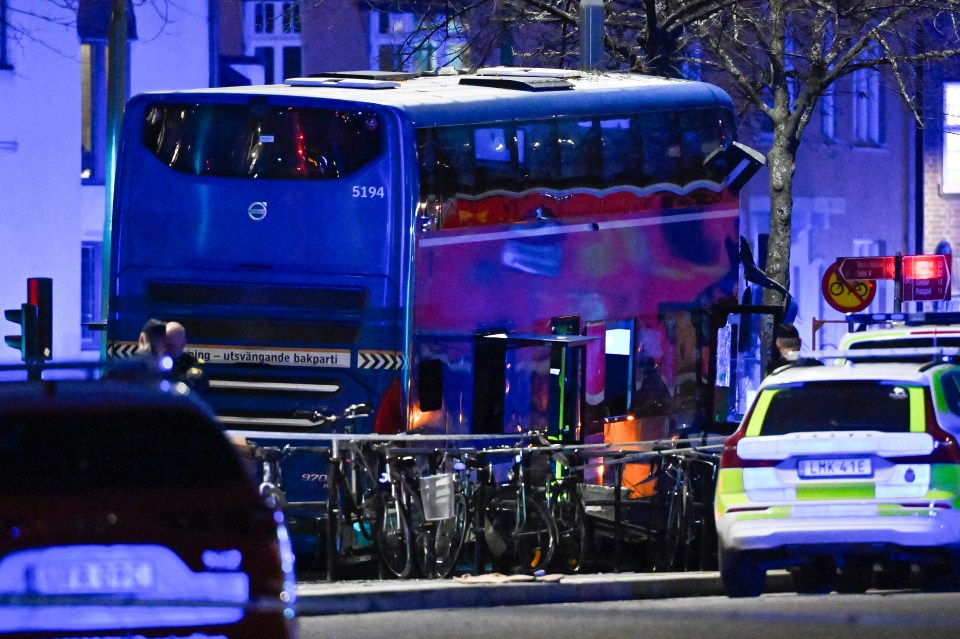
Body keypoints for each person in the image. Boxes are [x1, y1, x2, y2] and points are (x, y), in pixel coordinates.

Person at [165, 320, 206, 389]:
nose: (166, 347)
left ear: (183, 344)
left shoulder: (192, 363)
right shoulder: (154, 360)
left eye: (171, 344)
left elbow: (196, 388)